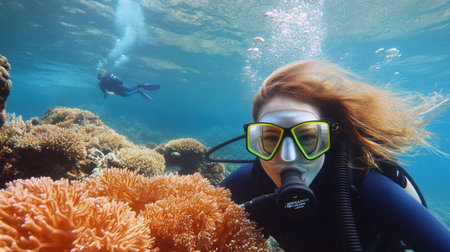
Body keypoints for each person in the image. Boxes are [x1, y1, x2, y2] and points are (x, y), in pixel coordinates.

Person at [208, 60, 450, 251]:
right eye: (271, 138)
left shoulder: (366, 187)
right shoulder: (246, 184)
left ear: (329, 139)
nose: (289, 156)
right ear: (256, 140)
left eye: (306, 137)